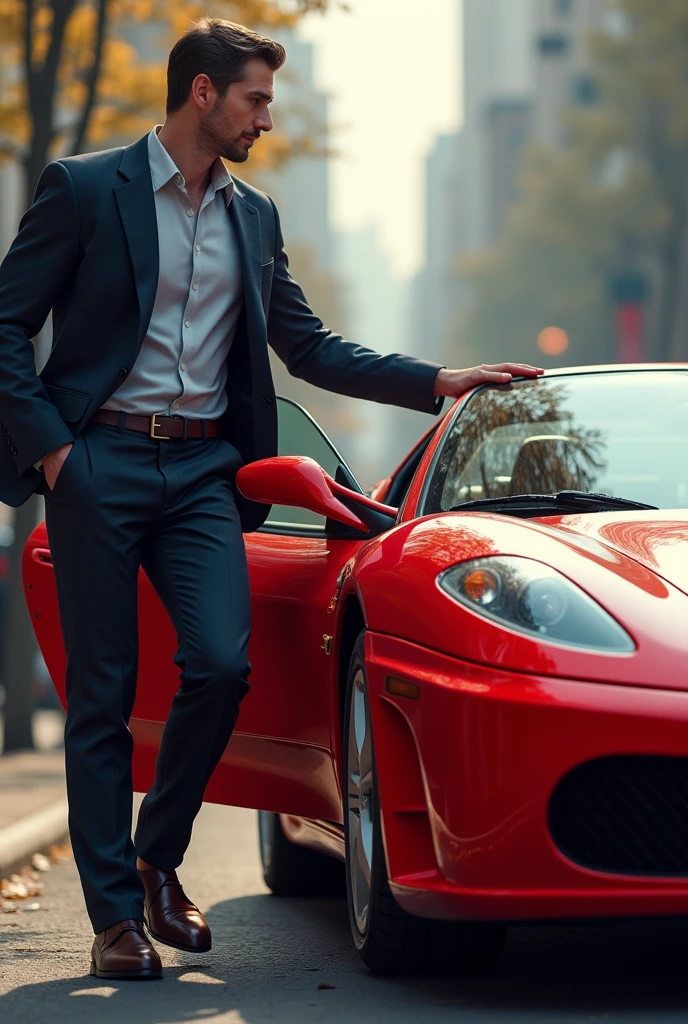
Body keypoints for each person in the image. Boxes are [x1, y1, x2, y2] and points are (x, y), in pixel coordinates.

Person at [0, 17, 543, 980]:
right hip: (98, 465)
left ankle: (155, 857)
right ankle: (116, 920)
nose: (265, 118)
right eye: (254, 99)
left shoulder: (254, 215)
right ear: (201, 94)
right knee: (105, 696)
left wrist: (437, 380)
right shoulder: (86, 189)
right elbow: (8, 327)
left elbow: (309, 346)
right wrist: (55, 457)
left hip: (205, 474)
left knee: (219, 664)